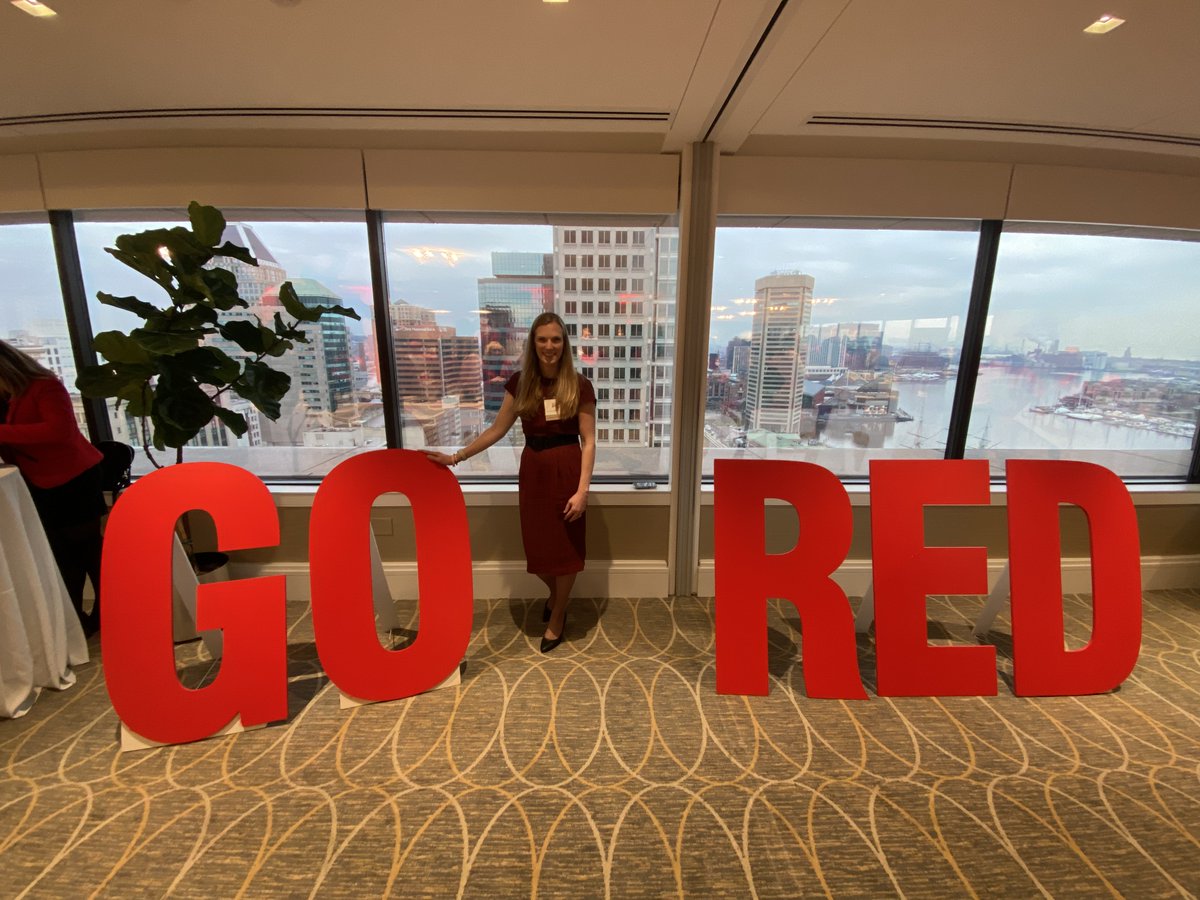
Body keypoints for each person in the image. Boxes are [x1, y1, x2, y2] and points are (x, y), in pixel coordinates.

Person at [425, 312, 596, 653]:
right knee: (538, 550)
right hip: (533, 470)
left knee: (566, 549)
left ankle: (558, 615)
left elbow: (589, 441)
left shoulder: (579, 384)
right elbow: (496, 430)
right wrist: (457, 457)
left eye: (556, 339)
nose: (549, 346)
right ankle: (555, 596)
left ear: (565, 344)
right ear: (533, 344)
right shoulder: (521, 383)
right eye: (542, 339)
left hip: (567, 467)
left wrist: (582, 491)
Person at [0, 340, 106, 636]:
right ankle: (75, 621)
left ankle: (104, 612)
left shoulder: (44, 386)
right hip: (40, 483)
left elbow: (58, 431)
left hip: (73, 479)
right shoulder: (7, 397)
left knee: (85, 550)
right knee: (63, 553)